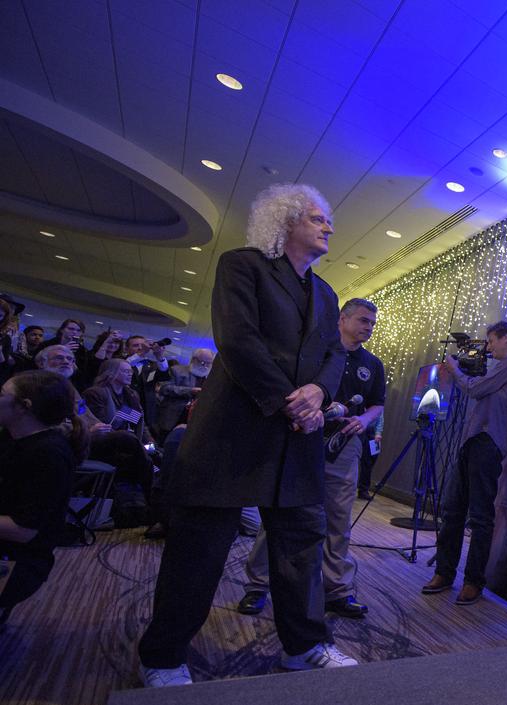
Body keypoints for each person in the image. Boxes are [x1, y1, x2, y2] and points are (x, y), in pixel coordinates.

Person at [136, 183, 355, 688]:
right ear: (286, 222)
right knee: (201, 551)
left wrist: (318, 393)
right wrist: (290, 401)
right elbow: (237, 340)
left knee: (301, 547)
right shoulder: (243, 265)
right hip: (234, 432)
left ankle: (305, 647)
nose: (329, 227)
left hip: (297, 436)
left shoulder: (326, 293)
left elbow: (334, 355)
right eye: (319, 219)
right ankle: (163, 656)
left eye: (328, 221)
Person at [237, 299, 385, 619]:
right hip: (302, 439)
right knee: (281, 511)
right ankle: (257, 585)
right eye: (362, 321)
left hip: (344, 447)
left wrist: (364, 420)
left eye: (372, 323)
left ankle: (337, 590)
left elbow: (377, 403)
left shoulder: (372, 364)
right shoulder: (318, 353)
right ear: (341, 319)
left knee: (338, 520)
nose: (368, 327)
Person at [421, 321, 507, 605]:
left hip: (488, 443)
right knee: (453, 510)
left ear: (506, 337)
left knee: (480, 516)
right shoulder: (502, 367)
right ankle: (445, 572)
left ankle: (473, 581)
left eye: (492, 341)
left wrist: (455, 369)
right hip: (472, 441)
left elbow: (476, 388)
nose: (489, 347)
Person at [0, 370, 87, 625]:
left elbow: (24, 530)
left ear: (23, 407)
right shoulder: (13, 436)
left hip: (18, 560)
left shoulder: (48, 454)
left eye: (1, 394)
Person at [154, 348, 213, 443]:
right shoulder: (176, 370)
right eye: (202, 363)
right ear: (194, 360)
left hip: (195, 422)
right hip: (172, 418)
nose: (205, 366)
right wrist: (190, 391)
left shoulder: (211, 378)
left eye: (209, 363)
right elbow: (164, 388)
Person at [123, 335, 170, 438]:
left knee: (144, 437)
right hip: (127, 406)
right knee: (128, 435)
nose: (140, 348)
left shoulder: (151, 364)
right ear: (126, 349)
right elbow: (123, 366)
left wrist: (160, 356)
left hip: (147, 409)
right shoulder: (122, 361)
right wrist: (141, 353)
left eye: (142, 345)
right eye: (135, 345)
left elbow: (164, 376)